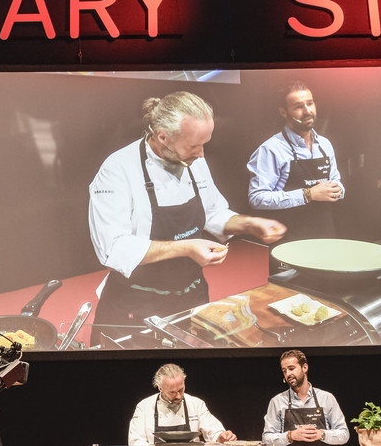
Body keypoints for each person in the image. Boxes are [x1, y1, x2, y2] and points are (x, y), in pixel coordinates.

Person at [88, 91, 286, 343]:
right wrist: (187, 247)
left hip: (192, 297)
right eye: (193, 146)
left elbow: (213, 212)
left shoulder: (193, 162)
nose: (201, 154)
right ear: (163, 137)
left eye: (204, 144)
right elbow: (113, 248)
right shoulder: (117, 170)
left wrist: (250, 223)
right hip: (135, 305)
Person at [246, 81, 345, 241]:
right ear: (283, 112)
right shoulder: (270, 149)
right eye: (299, 106)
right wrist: (308, 194)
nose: (307, 111)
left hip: (325, 235)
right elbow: (257, 199)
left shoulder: (325, 144)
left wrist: (337, 190)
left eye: (310, 103)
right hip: (289, 239)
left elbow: (337, 183)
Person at [128, 362, 237, 446]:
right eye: (172, 392)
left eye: (181, 390)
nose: (178, 396)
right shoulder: (144, 407)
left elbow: (214, 433)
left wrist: (221, 438)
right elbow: (135, 445)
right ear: (160, 388)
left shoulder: (196, 404)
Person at [262, 349, 349, 446]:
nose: (288, 374)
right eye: (284, 371)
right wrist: (291, 436)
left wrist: (321, 434)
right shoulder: (277, 401)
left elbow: (344, 435)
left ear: (305, 367)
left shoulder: (327, 398)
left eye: (291, 368)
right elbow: (266, 440)